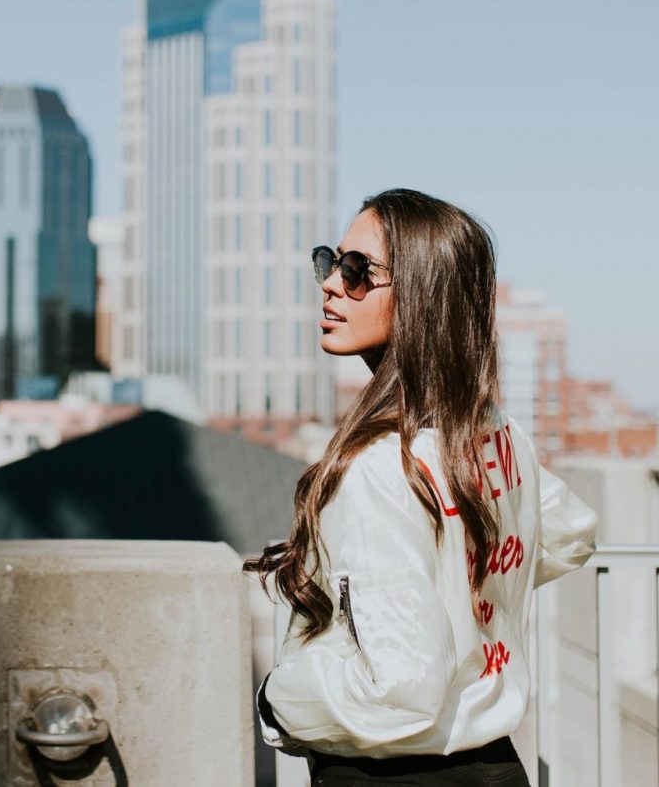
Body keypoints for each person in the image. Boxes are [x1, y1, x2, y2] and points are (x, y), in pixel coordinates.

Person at [246, 189, 599, 785]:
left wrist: (278, 698)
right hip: (495, 766)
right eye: (331, 262)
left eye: (358, 271)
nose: (331, 283)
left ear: (422, 298)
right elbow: (567, 531)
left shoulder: (380, 466)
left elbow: (400, 692)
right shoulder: (493, 432)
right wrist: (463, 586)